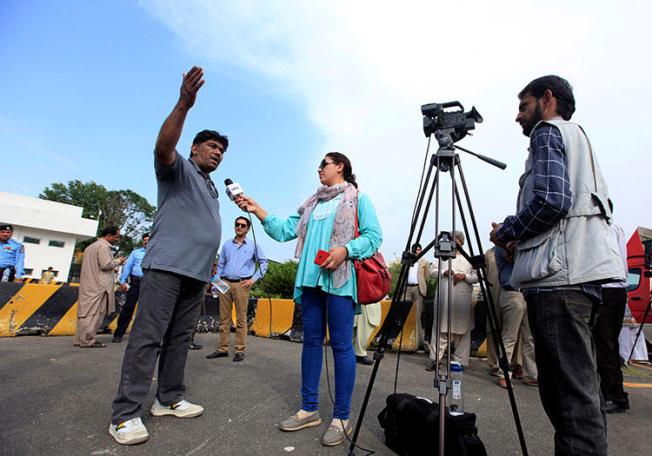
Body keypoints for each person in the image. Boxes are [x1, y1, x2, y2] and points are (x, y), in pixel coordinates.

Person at [490, 75, 624, 456]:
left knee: (570, 405)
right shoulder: (578, 137)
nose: (519, 117)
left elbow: (551, 201)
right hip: (582, 276)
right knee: (581, 396)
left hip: (559, 282)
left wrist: (509, 230)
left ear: (547, 99)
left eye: (523, 105)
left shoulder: (547, 132)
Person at [110, 66, 228, 446]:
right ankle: (125, 414)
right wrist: (184, 104)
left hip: (197, 274)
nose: (218, 153)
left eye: (222, 151)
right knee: (148, 337)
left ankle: (169, 398)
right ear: (194, 148)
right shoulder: (178, 170)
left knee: (179, 339)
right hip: (166, 266)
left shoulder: (211, 188)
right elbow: (162, 148)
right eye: (212, 147)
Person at [237, 152, 382, 447]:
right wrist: (257, 210)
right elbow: (284, 230)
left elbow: (373, 236)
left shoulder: (358, 198)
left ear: (340, 166)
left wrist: (346, 250)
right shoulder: (312, 203)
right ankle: (309, 409)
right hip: (310, 280)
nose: (319, 170)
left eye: (324, 165)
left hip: (340, 281)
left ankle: (342, 417)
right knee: (311, 342)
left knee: (342, 345)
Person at [206, 216, 268, 361]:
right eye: (237, 225)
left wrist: (253, 279)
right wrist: (217, 281)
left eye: (243, 225)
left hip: (242, 284)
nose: (239, 227)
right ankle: (223, 349)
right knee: (224, 318)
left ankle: (240, 350)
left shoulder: (253, 245)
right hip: (225, 283)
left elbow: (264, 263)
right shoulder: (227, 244)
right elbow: (220, 264)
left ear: (247, 229)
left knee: (241, 319)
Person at [593, 214, 629, 412]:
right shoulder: (617, 227)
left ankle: (614, 396)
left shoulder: (607, 228)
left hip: (608, 286)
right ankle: (610, 392)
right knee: (605, 343)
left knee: (605, 343)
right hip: (614, 288)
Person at [427, 231, 478, 371]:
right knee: (440, 329)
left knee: (463, 332)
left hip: (462, 300)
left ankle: (459, 361)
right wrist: (443, 273)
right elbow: (431, 272)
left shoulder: (469, 257)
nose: (453, 243)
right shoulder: (441, 256)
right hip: (444, 300)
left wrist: (464, 276)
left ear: (461, 242)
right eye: (451, 240)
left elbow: (477, 277)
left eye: (456, 241)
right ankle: (435, 360)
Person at [74, 226, 126, 348]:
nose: (116, 239)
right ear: (109, 236)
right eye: (116, 236)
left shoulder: (91, 247)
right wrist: (119, 261)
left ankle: (79, 339)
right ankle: (87, 340)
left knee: (85, 313)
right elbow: (105, 265)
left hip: (89, 284)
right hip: (99, 286)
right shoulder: (103, 247)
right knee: (95, 314)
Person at [493, 246, 537, 388]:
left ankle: (531, 374)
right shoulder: (500, 247)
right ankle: (504, 374)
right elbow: (516, 257)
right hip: (512, 293)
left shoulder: (519, 244)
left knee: (529, 338)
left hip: (528, 293)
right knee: (509, 337)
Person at [112, 233, 150, 343]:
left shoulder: (157, 254)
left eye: (148, 240)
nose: (146, 242)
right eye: (144, 240)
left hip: (150, 284)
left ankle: (142, 336)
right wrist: (123, 281)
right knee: (128, 308)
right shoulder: (136, 253)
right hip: (136, 283)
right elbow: (127, 267)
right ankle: (118, 334)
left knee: (146, 311)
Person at [404, 243, 430, 351]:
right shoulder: (408, 260)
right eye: (415, 249)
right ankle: (406, 339)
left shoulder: (424, 261)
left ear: (421, 250)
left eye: (418, 249)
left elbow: (427, 277)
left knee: (417, 315)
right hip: (407, 288)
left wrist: (424, 287)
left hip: (418, 289)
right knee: (405, 314)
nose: (417, 251)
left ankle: (419, 341)